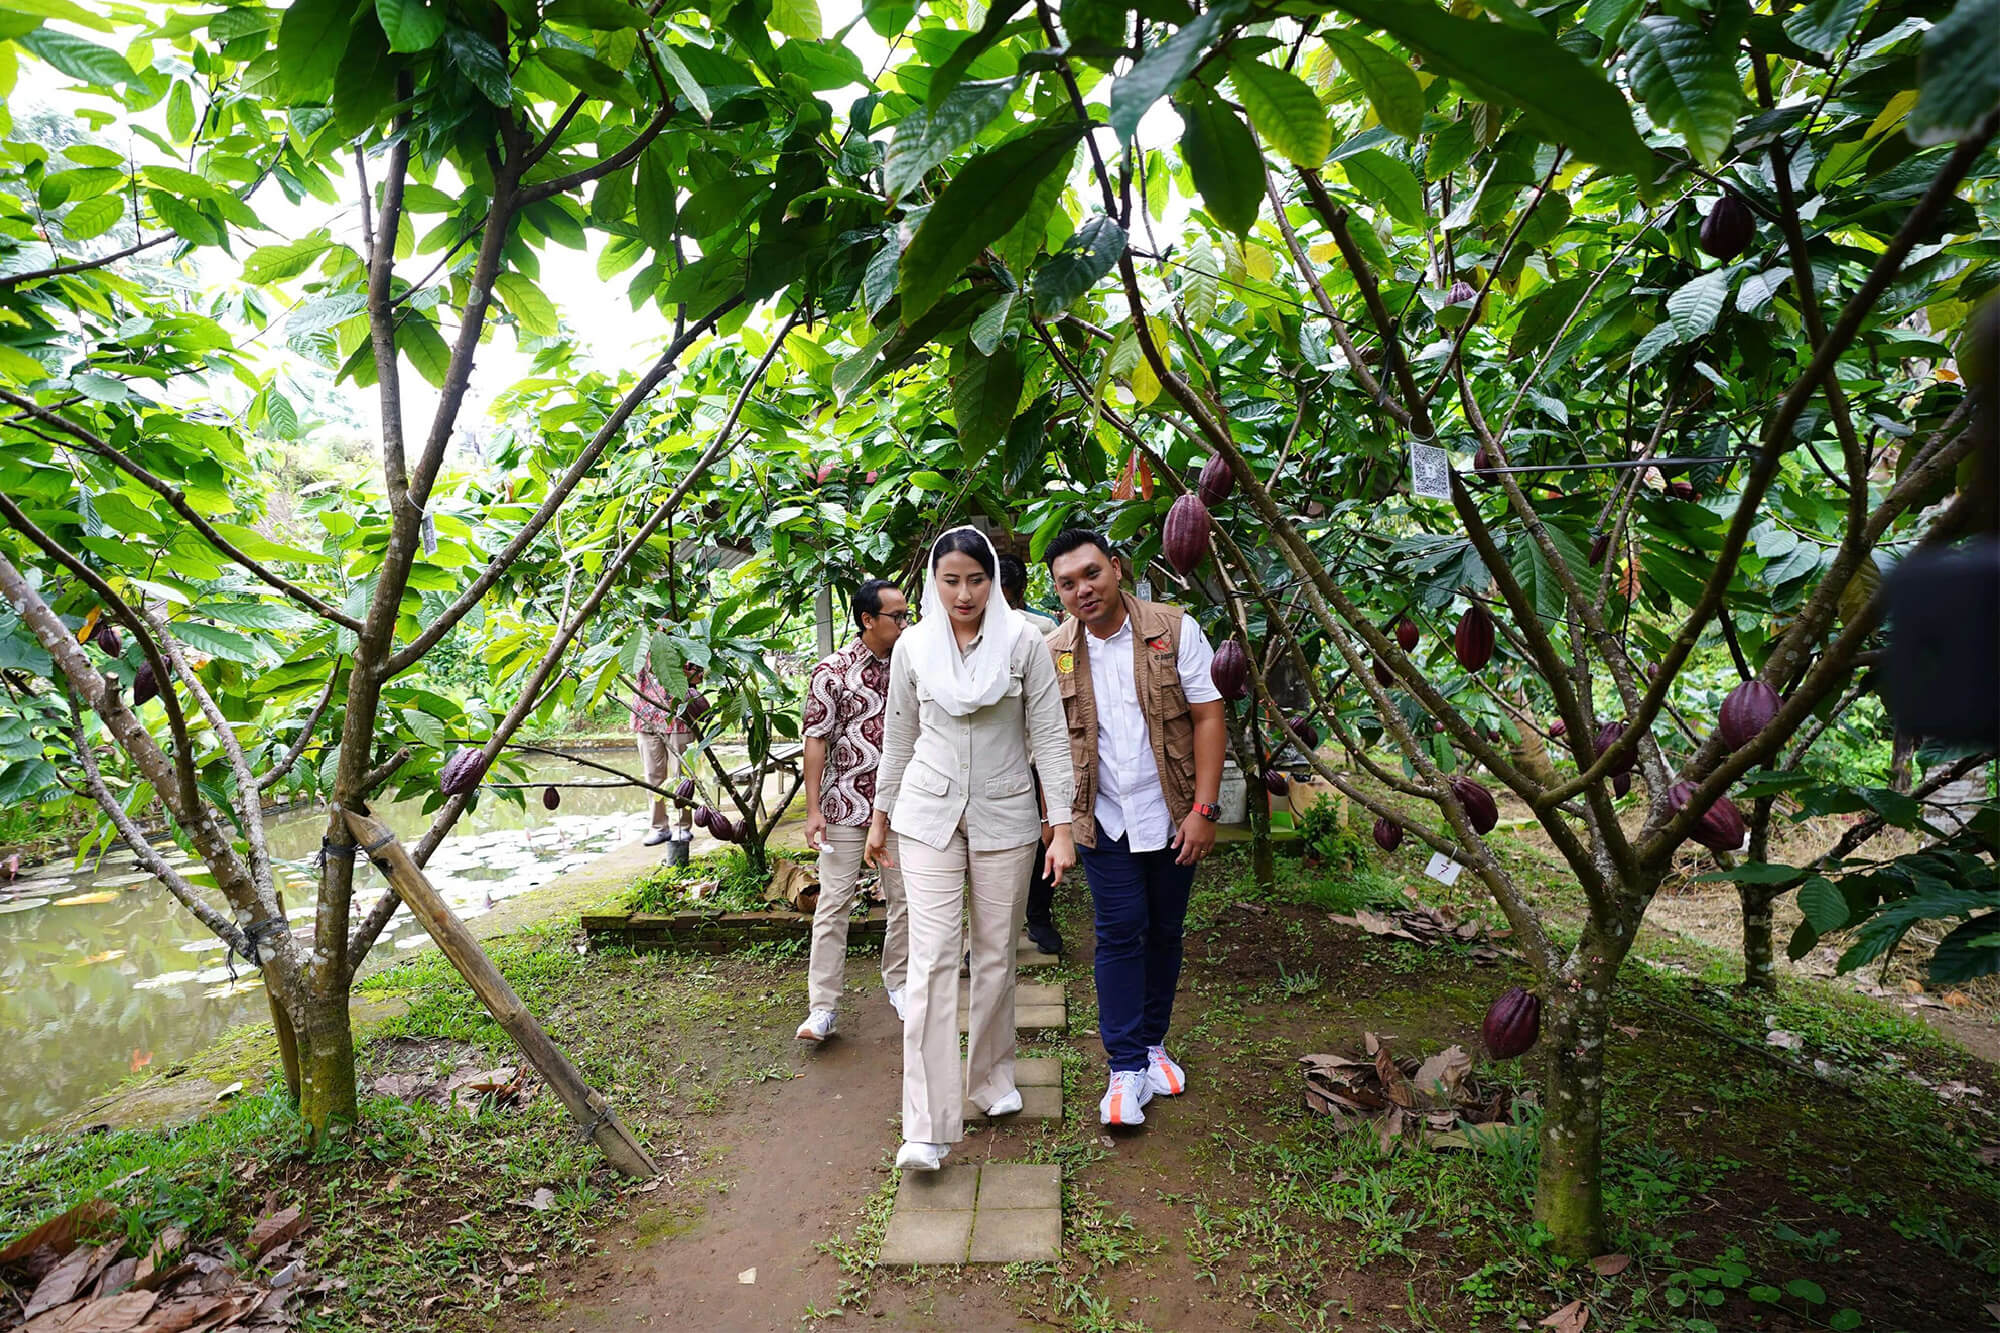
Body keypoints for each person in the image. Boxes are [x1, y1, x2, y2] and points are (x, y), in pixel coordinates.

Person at [867, 527, 1076, 1172]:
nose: (964, 593)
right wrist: (881, 815)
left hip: (1006, 813)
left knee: (994, 954)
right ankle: (926, 1126)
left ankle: (989, 1077)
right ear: (934, 580)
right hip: (927, 815)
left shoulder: (1024, 643)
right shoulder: (913, 649)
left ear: (994, 582)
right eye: (951, 580)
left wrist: (1061, 822)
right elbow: (898, 736)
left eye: (976, 580)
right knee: (930, 962)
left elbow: (1048, 732)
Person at [1043, 529, 1227, 1128]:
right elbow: (1047, 743)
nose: (1082, 590)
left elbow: (1207, 716)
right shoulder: (1055, 652)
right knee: (1120, 931)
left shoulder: (1173, 631)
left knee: (1166, 930)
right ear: (1058, 592)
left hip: (1172, 812)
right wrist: (1059, 823)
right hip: (1103, 817)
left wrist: (1203, 810)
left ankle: (1152, 1043)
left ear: (1116, 568)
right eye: (1067, 583)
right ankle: (1124, 1065)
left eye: (1091, 574)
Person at [795, 579, 913, 1042]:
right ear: (868, 619)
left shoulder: (914, 665)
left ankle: (900, 983)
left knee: (905, 900)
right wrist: (813, 810)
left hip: (904, 808)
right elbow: (816, 738)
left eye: (907, 615)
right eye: (897, 616)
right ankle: (822, 1008)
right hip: (845, 806)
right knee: (833, 905)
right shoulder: (833, 671)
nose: (906, 623)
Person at [999, 554, 1064, 958]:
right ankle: (996, 932)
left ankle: (1039, 918)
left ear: (1018, 592)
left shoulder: (1043, 630)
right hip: (996, 757)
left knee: (1044, 839)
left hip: (1036, 754)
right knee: (997, 844)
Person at [633, 657, 704, 847]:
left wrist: (674, 667)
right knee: (652, 776)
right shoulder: (639, 642)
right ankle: (658, 827)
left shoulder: (684, 643)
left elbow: (699, 677)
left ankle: (683, 825)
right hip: (646, 715)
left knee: (682, 775)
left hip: (679, 718)